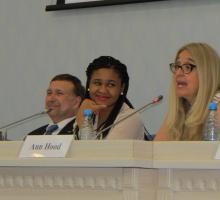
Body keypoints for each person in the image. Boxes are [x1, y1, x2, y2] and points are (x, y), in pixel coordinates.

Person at [155, 42, 220, 141]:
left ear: (206, 73)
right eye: (177, 66)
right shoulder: (180, 109)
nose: (178, 73)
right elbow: (156, 150)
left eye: (188, 67)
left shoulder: (217, 106)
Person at [76, 56, 145, 140]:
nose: (103, 90)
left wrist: (83, 125)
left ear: (122, 88)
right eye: (97, 83)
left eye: (111, 85)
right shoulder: (86, 110)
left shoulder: (130, 118)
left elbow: (102, 153)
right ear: (89, 85)